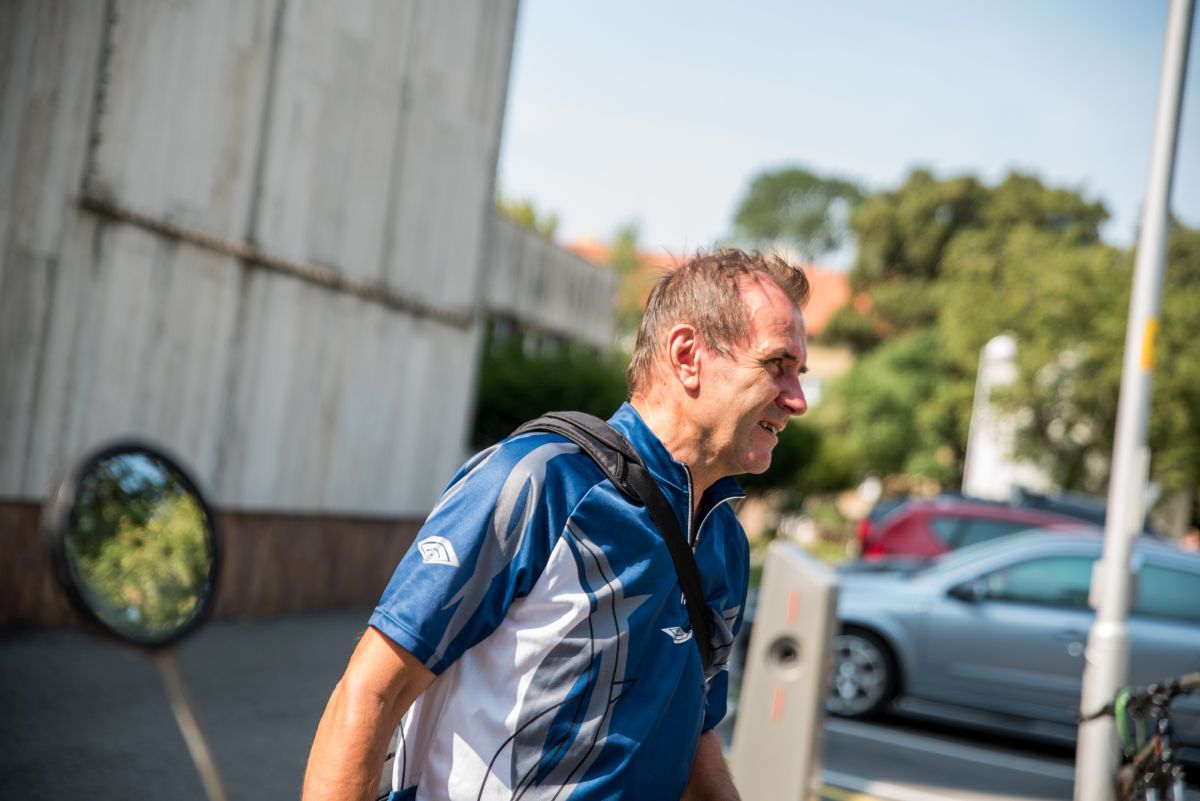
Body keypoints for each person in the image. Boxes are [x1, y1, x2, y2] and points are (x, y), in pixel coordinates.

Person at [303, 248, 812, 801]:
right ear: (687, 355)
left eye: (800, 373)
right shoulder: (539, 482)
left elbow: (694, 732)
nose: (798, 400)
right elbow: (372, 691)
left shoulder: (725, 540)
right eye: (776, 365)